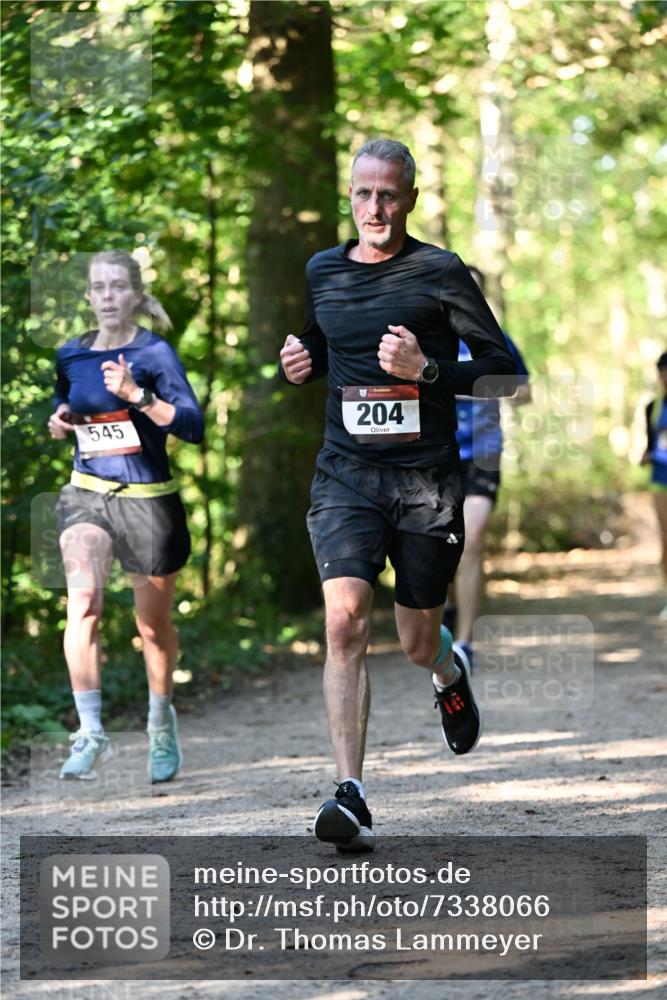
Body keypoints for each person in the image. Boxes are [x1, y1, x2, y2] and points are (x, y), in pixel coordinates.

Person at [279, 138, 517, 851]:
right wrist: (303, 358)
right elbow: (328, 340)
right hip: (346, 475)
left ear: (410, 198)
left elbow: (505, 373)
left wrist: (428, 370)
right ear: (349, 196)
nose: (374, 208)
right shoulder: (323, 269)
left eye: (388, 195)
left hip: (425, 483)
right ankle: (349, 794)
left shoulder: (439, 270)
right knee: (344, 621)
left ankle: (447, 670)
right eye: (363, 193)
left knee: (415, 641)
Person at [48, 250, 204, 782]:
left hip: (149, 501)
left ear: (136, 295)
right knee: (83, 603)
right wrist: (61, 418)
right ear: (88, 296)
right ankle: (90, 732)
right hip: (87, 493)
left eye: (117, 286)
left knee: (152, 627)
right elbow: (65, 401)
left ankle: (160, 722)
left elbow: (192, 425)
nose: (108, 295)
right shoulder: (71, 353)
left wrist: (138, 395)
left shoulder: (154, 352)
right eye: (99, 287)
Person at [443, 266, 531, 670]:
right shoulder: (426, 337)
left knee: (472, 540)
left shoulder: (496, 339)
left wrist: (477, 387)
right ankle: (449, 606)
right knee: (441, 547)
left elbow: (524, 390)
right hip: (436, 455)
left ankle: (466, 642)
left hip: (483, 453)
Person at [640, 351, 667, 618]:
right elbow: (651, 443)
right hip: (661, 478)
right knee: (666, 539)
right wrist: (646, 455)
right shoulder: (653, 407)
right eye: (663, 373)